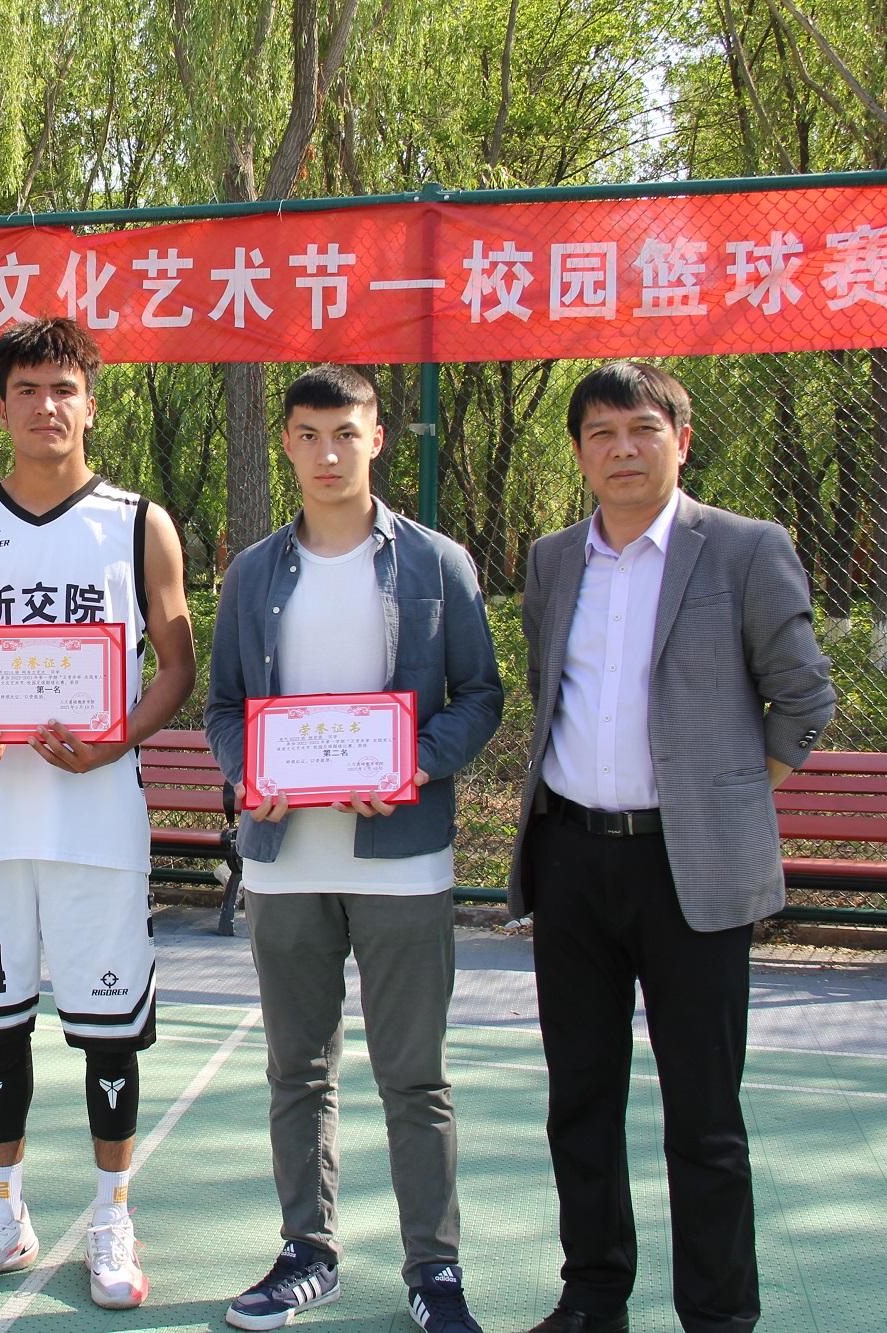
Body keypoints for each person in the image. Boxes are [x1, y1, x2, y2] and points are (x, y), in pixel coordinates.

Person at [512, 362, 835, 1333]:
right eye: (601, 433)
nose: (622, 449)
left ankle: (718, 1315)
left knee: (703, 1115)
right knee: (579, 1101)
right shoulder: (551, 560)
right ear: (579, 452)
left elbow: (803, 698)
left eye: (642, 429)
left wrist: (722, 800)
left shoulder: (742, 549)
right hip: (571, 859)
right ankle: (592, 1296)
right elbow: (547, 686)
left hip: (689, 870)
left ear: (680, 442)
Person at [204, 365, 503, 1333]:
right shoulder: (253, 572)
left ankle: (434, 1268)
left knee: (413, 1075)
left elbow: (480, 695)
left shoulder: (436, 563)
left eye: (344, 433)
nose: (326, 453)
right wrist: (248, 769)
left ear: (376, 438)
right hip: (283, 858)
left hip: (402, 860)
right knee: (297, 1070)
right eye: (307, 434)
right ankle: (307, 1250)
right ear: (285, 444)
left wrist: (412, 762)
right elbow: (222, 707)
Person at [0, 317, 195, 1310]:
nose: (46, 406)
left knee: (107, 1026)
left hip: (96, 820)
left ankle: (112, 1215)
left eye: (63, 388)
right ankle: (4, 1212)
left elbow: (176, 665)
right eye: (27, 389)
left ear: (90, 402)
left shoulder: (138, 522)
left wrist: (119, 738)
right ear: (1, 408)